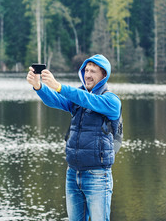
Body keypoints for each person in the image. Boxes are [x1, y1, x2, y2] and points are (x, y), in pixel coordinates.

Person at [26, 54, 121, 221]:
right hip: (73, 173)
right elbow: (56, 100)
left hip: (97, 175)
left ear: (104, 75)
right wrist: (39, 86)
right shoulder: (78, 96)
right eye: (86, 70)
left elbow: (87, 100)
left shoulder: (111, 101)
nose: (88, 75)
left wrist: (59, 86)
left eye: (93, 71)